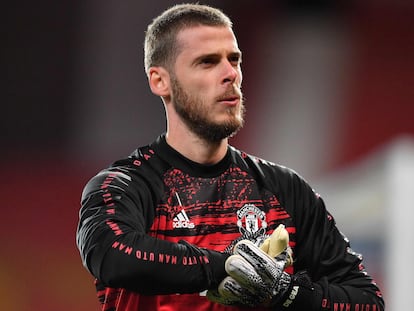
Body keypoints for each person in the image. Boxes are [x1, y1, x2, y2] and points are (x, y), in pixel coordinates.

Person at [76, 3, 384, 311]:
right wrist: (232, 267)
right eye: (208, 62)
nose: (230, 74)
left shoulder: (285, 189)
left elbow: (367, 302)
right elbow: (111, 253)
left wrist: (284, 293)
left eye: (234, 59)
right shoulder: (126, 185)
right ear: (161, 81)